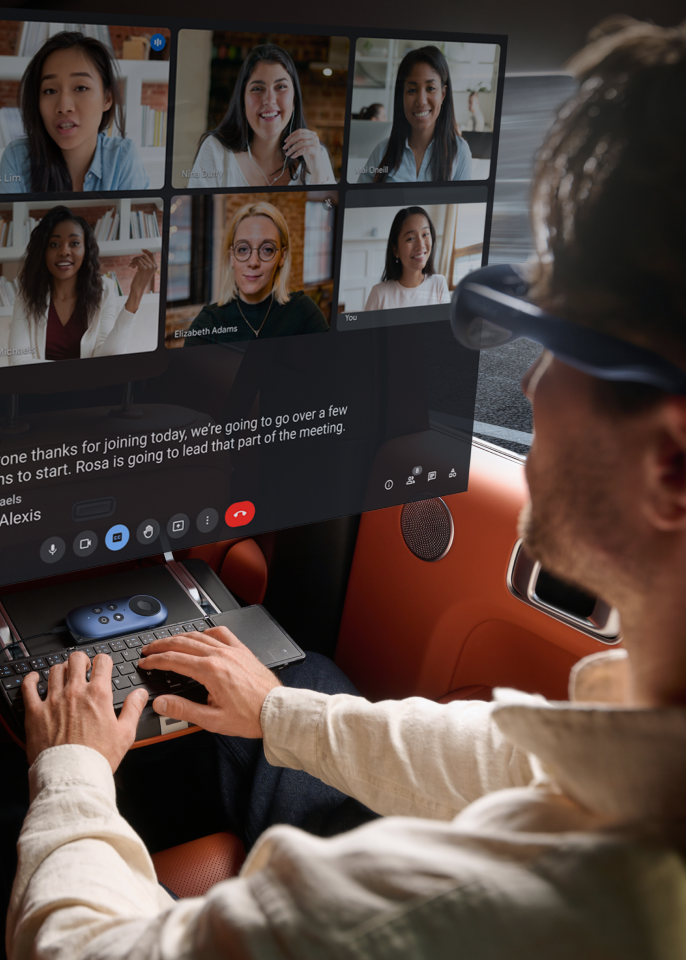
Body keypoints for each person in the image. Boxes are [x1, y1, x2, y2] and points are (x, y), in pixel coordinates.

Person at [7, 16, 686, 959]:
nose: (529, 384)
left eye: (563, 346)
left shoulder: (431, 914)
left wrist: (73, 769)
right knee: (305, 676)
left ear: (671, 463)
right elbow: (522, 755)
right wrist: (282, 713)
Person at [0, 31, 149, 194]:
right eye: (50, 90)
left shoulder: (123, 158)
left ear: (107, 98)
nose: (64, 106)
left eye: (81, 88)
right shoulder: (16, 160)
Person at [8, 205, 157, 364]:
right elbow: (17, 359)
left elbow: (108, 358)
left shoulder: (104, 289)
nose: (64, 251)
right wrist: (80, 374)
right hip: (44, 387)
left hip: (90, 388)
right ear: (43, 251)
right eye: (54, 244)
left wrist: (135, 295)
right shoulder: (27, 291)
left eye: (74, 243)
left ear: (86, 250)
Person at [189, 44, 335, 188]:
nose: (269, 100)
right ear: (242, 100)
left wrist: (318, 172)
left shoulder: (316, 154)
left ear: (294, 100)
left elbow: (328, 208)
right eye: (257, 88)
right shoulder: (215, 151)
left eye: (281, 87)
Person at [183, 202, 329, 344]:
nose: (253, 262)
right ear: (231, 256)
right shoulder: (207, 322)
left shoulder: (303, 312)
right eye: (242, 249)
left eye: (267, 250)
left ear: (282, 256)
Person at [357, 45, 472, 183]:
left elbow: (462, 204)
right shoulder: (382, 152)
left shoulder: (460, 152)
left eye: (430, 88)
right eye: (412, 90)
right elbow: (359, 201)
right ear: (402, 97)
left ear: (443, 94)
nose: (421, 101)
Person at [364, 206, 450, 311]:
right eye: (410, 238)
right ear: (396, 250)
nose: (421, 245)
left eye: (425, 234)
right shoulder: (379, 294)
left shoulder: (439, 284)